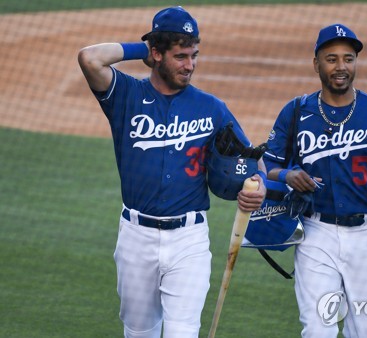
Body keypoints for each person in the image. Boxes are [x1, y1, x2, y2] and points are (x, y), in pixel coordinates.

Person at [78, 6, 266, 338]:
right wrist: (143, 49)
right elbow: (90, 58)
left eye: (193, 55)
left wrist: (259, 184)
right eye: (180, 56)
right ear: (157, 54)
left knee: (182, 332)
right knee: (139, 331)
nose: (190, 65)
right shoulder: (126, 95)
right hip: (136, 238)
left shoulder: (211, 107)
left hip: (188, 239)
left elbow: (250, 158)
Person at [263, 23, 367, 337]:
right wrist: (288, 175)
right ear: (316, 63)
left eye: (348, 58)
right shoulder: (296, 112)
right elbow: (270, 165)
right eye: (331, 59)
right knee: (318, 329)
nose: (341, 66)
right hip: (316, 233)